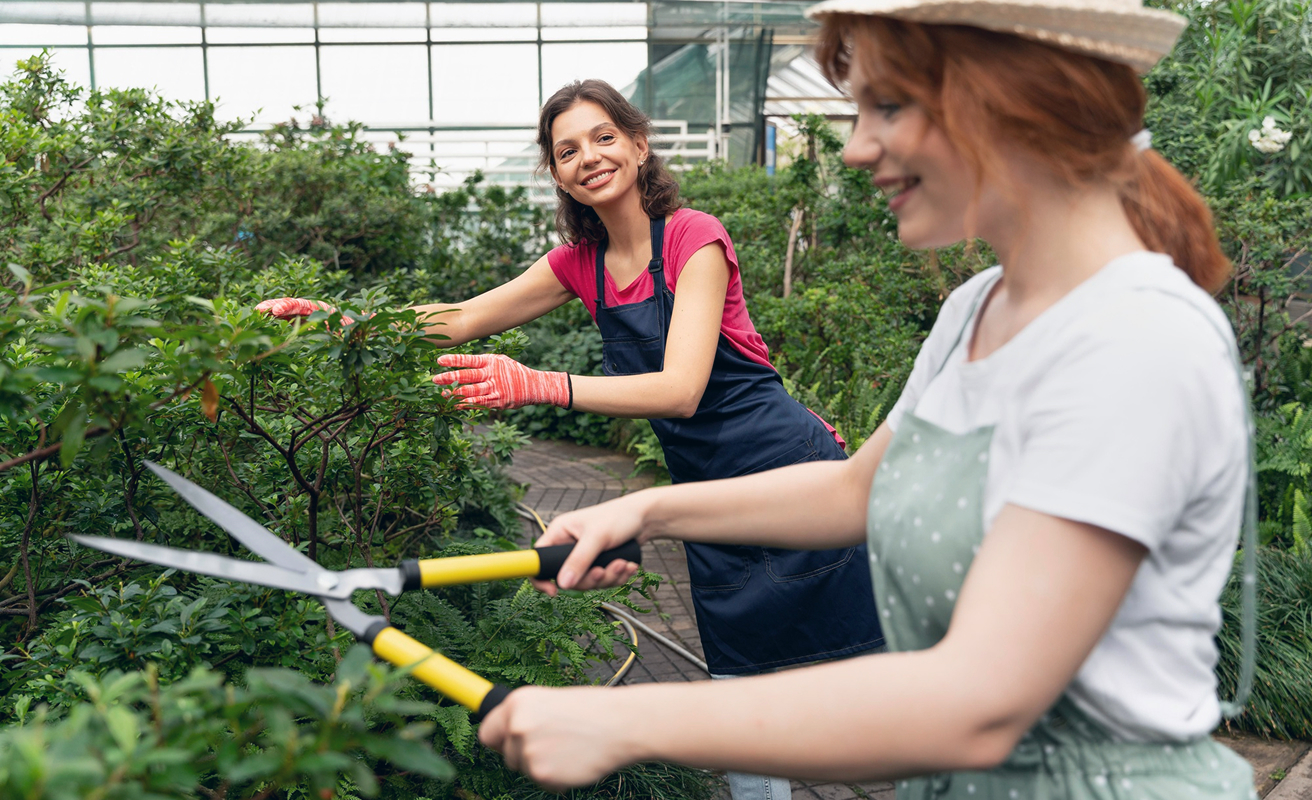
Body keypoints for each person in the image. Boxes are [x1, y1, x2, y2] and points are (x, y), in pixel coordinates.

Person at [475, 2, 1261, 798]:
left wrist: (623, 724)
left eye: (887, 106)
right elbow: (857, 491)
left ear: (1012, 98)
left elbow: (979, 705)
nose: (854, 149)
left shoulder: (1133, 336)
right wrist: (640, 514)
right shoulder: (977, 310)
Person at [258, 79, 886, 800]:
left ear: (639, 145)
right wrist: (342, 320)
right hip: (711, 504)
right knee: (738, 694)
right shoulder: (578, 264)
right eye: (567, 150)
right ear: (555, 173)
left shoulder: (693, 236)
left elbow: (681, 387)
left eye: (604, 137)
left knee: (870, 676)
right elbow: (461, 319)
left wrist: (540, 383)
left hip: (791, 476)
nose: (588, 156)